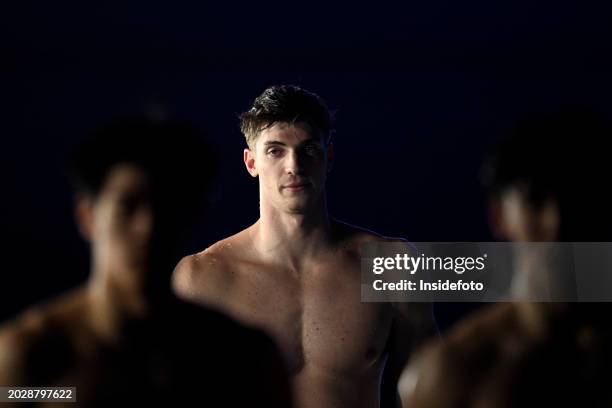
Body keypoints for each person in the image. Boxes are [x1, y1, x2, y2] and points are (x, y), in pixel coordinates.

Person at [173, 85, 434, 408]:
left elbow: (429, 394)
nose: (294, 165)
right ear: (251, 162)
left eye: (308, 150)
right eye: (275, 151)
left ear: (329, 157)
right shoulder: (199, 276)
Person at [0, 118, 291, 407]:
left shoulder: (242, 359)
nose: (148, 226)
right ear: (88, 216)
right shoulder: (32, 358)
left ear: (192, 216)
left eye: (167, 206)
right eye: (128, 206)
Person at [398, 108, 612, 407]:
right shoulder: (450, 377)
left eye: (577, 197)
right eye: (535, 201)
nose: (556, 222)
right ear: (499, 216)